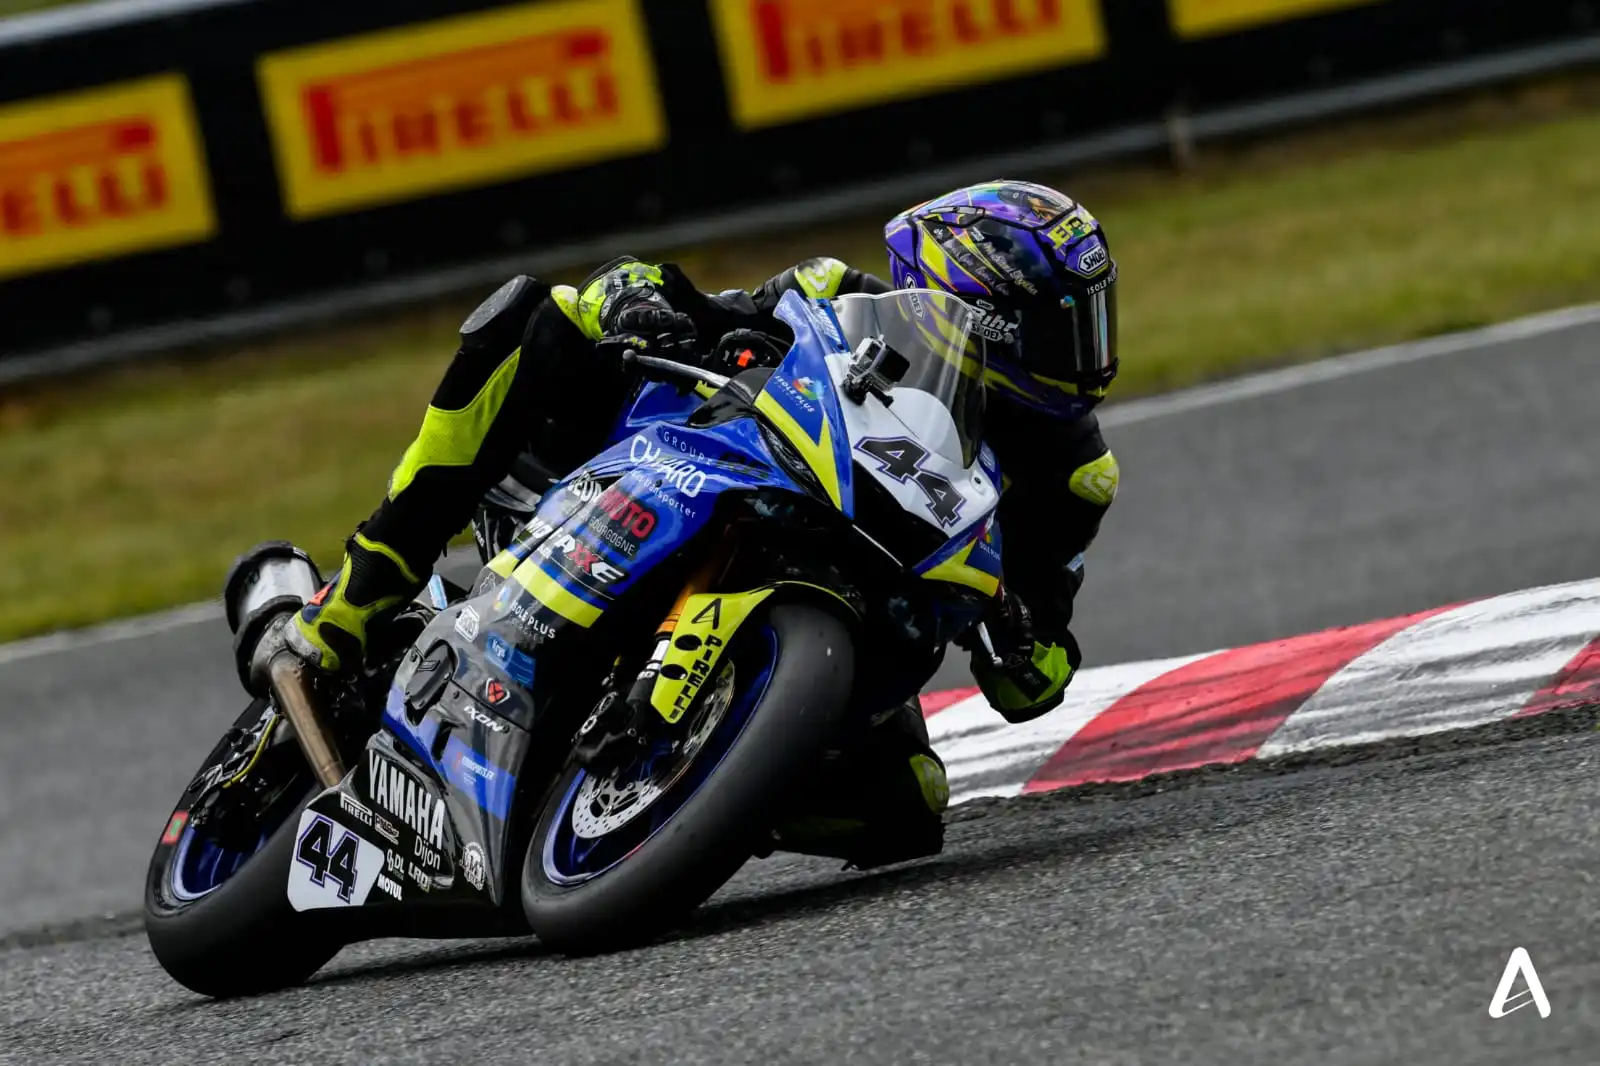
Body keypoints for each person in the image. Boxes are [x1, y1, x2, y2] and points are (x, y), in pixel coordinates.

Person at [287, 179, 1121, 866]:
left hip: (868, 608)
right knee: (534, 318)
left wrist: (1020, 637)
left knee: (907, 810)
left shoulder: (1072, 475)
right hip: (715, 475)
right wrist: (644, 303)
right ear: (984, 316)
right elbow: (700, 305)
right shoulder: (837, 294)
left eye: (1090, 320)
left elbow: (1036, 676)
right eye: (1060, 325)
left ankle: (703, 788)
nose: (1084, 351)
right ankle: (365, 588)